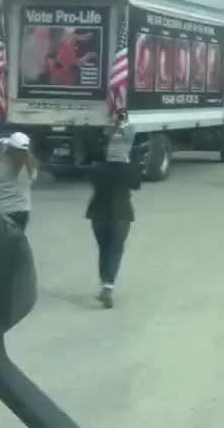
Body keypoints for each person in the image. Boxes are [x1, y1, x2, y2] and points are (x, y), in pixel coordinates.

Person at [88, 109, 139, 309]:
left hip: (98, 213)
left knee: (103, 250)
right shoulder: (128, 170)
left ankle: (104, 283)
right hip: (121, 214)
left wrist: (110, 132)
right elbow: (136, 184)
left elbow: (93, 172)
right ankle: (108, 286)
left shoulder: (98, 168)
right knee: (116, 251)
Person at [0, 132, 37, 230]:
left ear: (9, 147)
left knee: (0, 242)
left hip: (0, 211)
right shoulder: (31, 165)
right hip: (22, 211)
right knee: (16, 240)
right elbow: (33, 178)